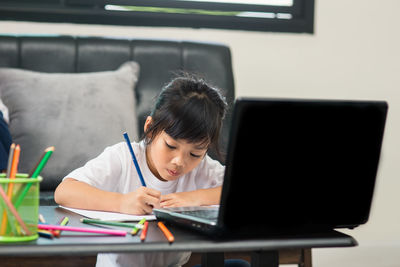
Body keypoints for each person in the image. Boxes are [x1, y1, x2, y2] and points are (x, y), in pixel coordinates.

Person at [54, 74, 229, 267]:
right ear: (150, 128)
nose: (180, 161)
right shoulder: (123, 157)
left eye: (195, 154)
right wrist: (121, 202)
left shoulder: (202, 168)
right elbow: (65, 191)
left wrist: (194, 198)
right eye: (171, 146)